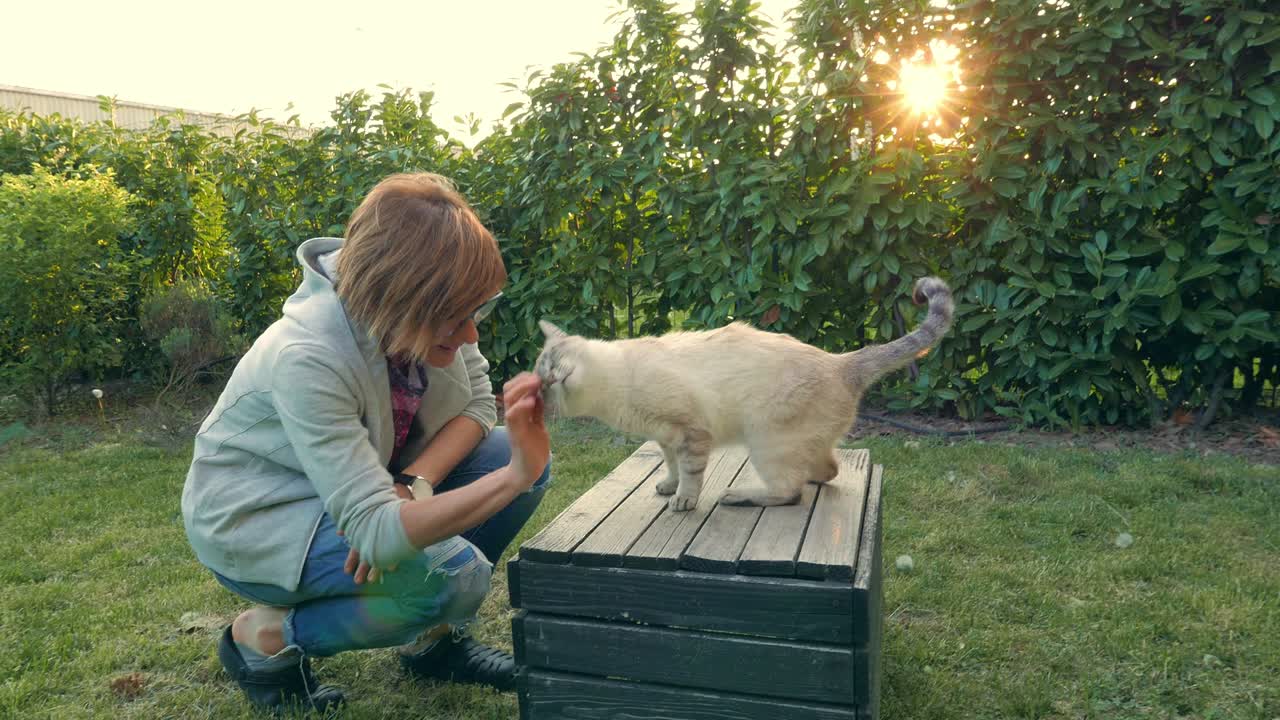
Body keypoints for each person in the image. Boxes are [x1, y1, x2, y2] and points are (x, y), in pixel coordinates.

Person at [180, 172, 551, 712]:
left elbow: (475, 404)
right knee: (456, 572)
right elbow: (377, 534)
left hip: (356, 489)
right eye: (458, 316)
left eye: (478, 311)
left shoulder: (414, 312)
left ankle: (431, 644)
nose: (472, 333)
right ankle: (266, 638)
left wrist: (410, 484)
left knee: (498, 454)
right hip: (259, 515)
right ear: (399, 296)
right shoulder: (306, 354)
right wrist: (512, 476)